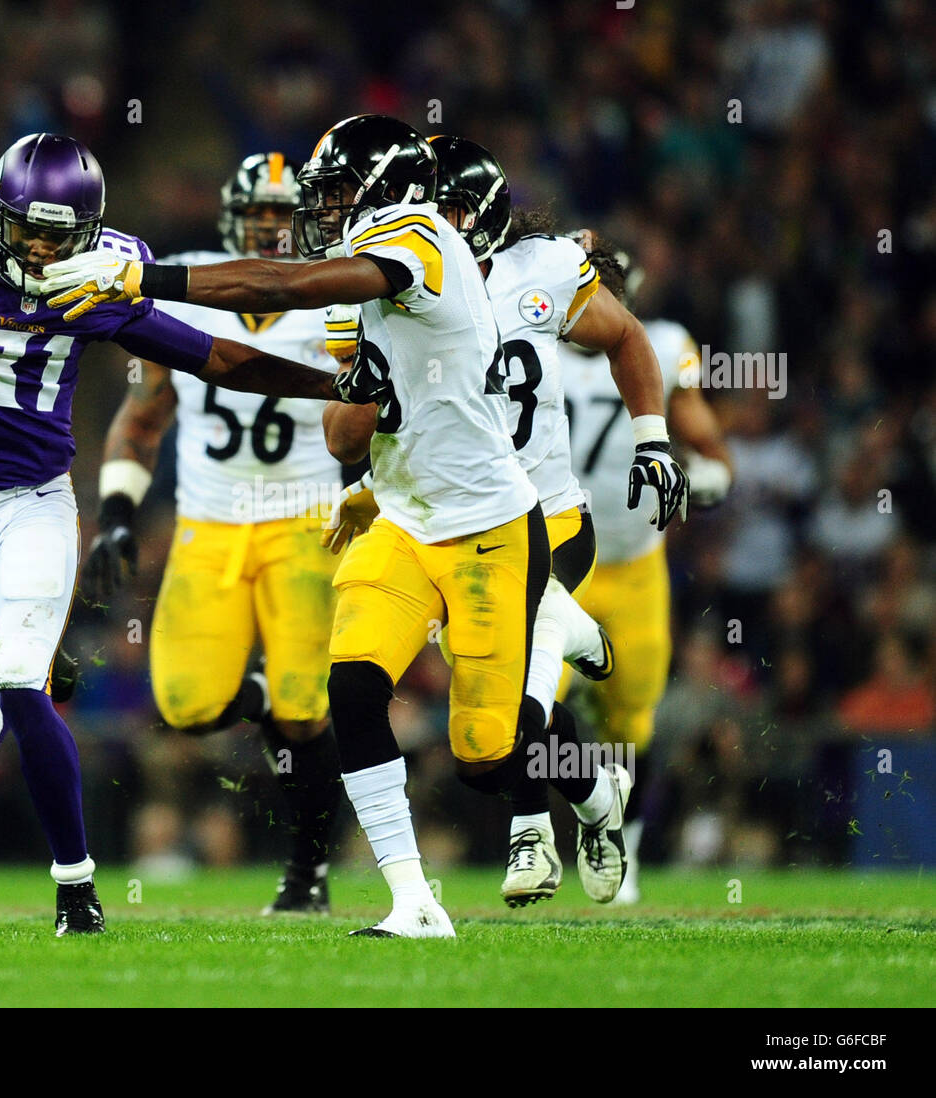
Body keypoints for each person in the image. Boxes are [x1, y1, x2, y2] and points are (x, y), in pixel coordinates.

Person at [45, 115, 689, 937]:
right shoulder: (368, 274)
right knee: (351, 688)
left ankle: (591, 779)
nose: (324, 211)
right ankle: (413, 904)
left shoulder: (419, 237)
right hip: (403, 518)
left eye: (338, 193)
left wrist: (149, 277)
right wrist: (365, 397)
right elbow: (336, 428)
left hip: (494, 522)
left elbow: (278, 289)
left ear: (386, 187)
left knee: (488, 758)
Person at [0, 132, 349, 936]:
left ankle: (76, 888)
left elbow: (219, 359)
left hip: (37, 501)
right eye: (25, 229)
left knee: (23, 678)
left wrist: (333, 381)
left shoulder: (99, 282)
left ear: (89, 235)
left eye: (58, 236)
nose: (38, 248)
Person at [85, 152, 345, 913]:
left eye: (280, 215)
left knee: (308, 712)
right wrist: (118, 516)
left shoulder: (336, 293)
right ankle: (262, 694)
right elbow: (143, 417)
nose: (269, 228)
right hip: (209, 522)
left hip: (307, 522)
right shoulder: (190, 284)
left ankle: (307, 876)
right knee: (186, 705)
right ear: (233, 218)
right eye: (256, 215)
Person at [556, 243, 732, 901]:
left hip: (632, 566)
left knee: (630, 720)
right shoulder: (524, 344)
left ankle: (620, 846)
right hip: (552, 565)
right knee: (536, 703)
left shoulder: (657, 344)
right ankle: (569, 816)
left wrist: (711, 476)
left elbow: (708, 445)